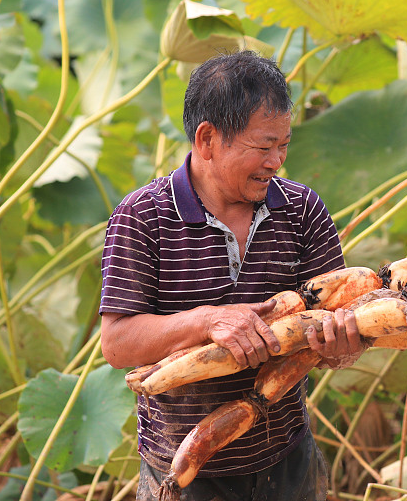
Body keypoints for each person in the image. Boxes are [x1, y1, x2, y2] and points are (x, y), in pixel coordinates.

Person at [99, 50, 365, 501]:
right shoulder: (141, 218)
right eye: (263, 147)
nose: (277, 161)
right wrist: (208, 321)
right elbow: (118, 344)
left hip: (287, 462)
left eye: (284, 145)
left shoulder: (303, 211)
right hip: (184, 473)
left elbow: (338, 326)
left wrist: (343, 348)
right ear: (207, 140)